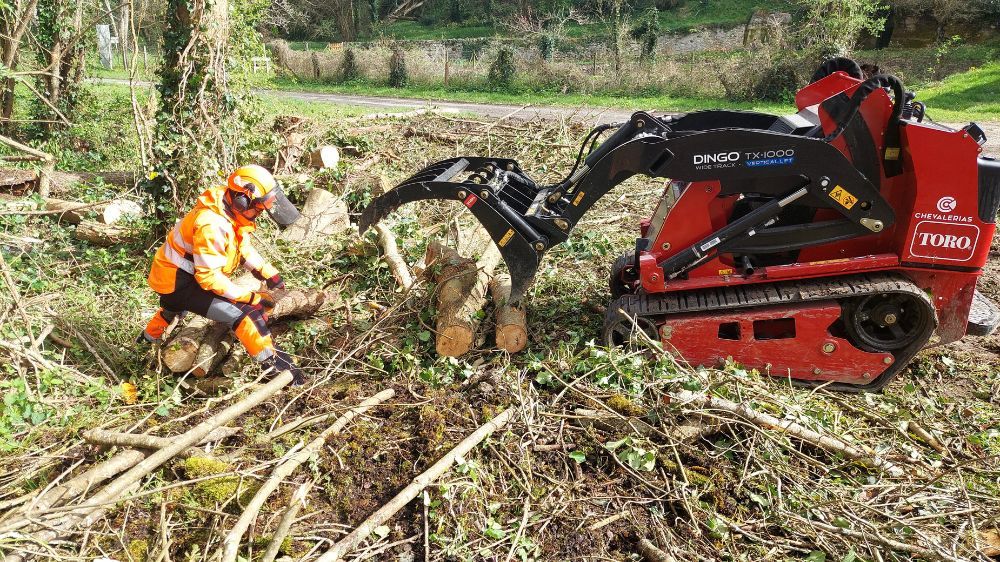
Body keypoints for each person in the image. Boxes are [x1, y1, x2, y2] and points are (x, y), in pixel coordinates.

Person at [138, 165, 305, 384]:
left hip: (177, 276)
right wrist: (251, 298)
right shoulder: (212, 224)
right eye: (258, 207)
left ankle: (144, 343)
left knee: (171, 310)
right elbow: (209, 278)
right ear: (242, 200)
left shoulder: (225, 208)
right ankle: (279, 371)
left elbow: (240, 248)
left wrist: (266, 272)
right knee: (246, 315)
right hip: (179, 283)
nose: (261, 212)